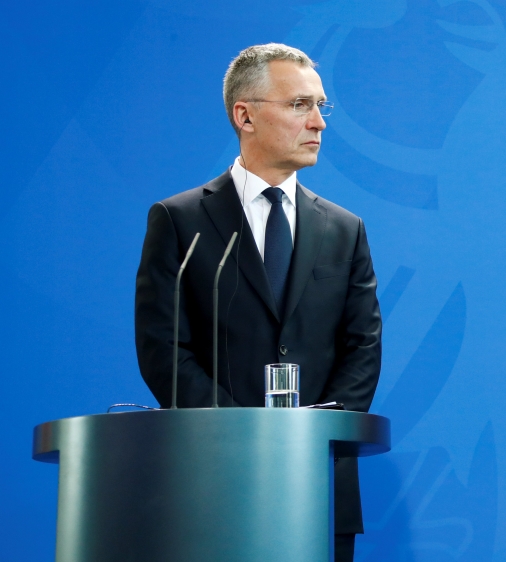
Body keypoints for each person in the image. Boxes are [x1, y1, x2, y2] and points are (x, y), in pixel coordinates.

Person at [134, 43, 381, 561]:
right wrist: (245, 438)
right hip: (209, 477)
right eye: (299, 105)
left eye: (320, 106)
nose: (318, 123)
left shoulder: (345, 229)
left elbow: (362, 349)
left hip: (318, 483)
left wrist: (313, 436)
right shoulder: (179, 221)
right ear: (244, 115)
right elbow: (164, 350)